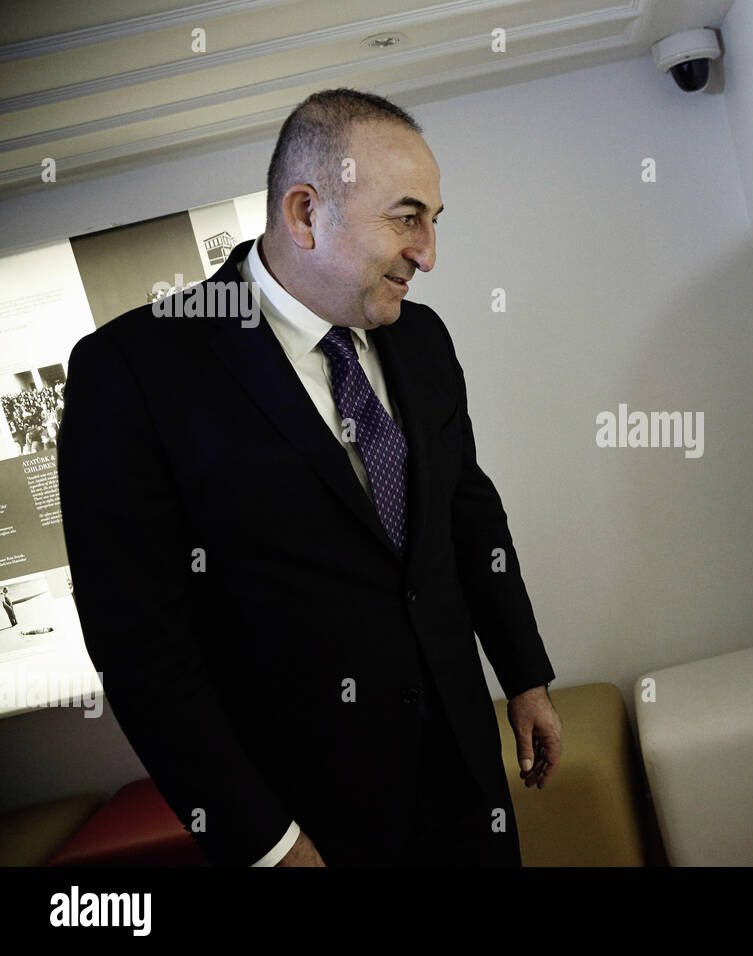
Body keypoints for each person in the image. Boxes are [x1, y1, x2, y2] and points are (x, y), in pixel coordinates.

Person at [57, 89, 562, 867]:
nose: (428, 253)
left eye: (433, 220)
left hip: (466, 782)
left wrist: (524, 676)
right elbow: (141, 646)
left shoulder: (422, 339)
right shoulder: (133, 371)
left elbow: (467, 512)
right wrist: (262, 841)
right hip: (310, 823)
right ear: (305, 213)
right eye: (406, 218)